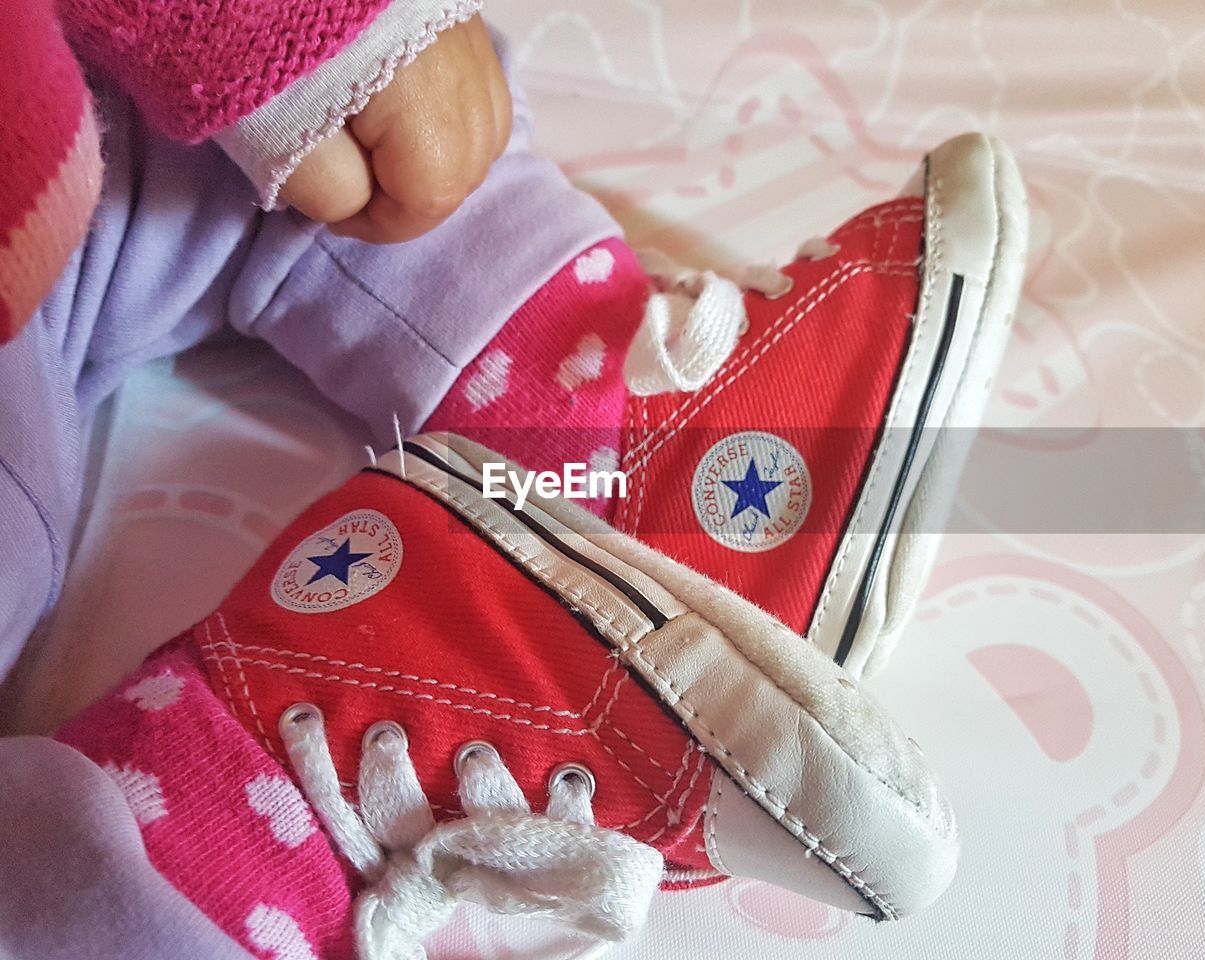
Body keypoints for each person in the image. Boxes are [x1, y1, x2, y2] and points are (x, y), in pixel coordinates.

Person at [0, 0, 1029, 956]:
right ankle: (225, 808)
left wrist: (294, 29)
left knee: (344, 160)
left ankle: (607, 447)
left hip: (49, 154)